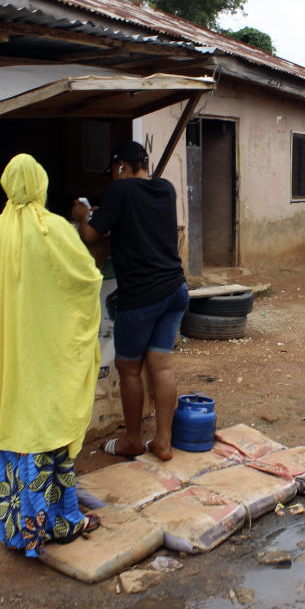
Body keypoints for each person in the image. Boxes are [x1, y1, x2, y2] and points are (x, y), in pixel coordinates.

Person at [0, 154, 104, 556]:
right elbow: (88, 282)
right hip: (49, 357)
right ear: (40, 184)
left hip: (11, 359)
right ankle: (58, 521)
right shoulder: (56, 231)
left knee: (16, 423)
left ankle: (14, 525)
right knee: (47, 426)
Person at [72, 141, 188, 461]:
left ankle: (133, 441)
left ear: (122, 165)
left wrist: (84, 215)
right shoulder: (165, 189)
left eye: (114, 170)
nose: (113, 176)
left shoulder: (120, 192)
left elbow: (91, 236)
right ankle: (163, 442)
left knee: (129, 369)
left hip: (140, 297)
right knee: (161, 365)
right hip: (175, 290)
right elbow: (139, 223)